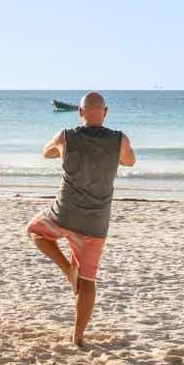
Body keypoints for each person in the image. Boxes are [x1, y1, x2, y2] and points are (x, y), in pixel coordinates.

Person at [27, 92, 136, 348]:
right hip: (95, 223)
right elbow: (129, 161)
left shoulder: (66, 136)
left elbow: (46, 153)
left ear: (80, 112)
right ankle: (78, 336)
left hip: (63, 214)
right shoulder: (119, 139)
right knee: (88, 280)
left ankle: (67, 269)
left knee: (34, 230)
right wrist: (112, 158)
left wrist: (64, 153)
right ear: (105, 112)